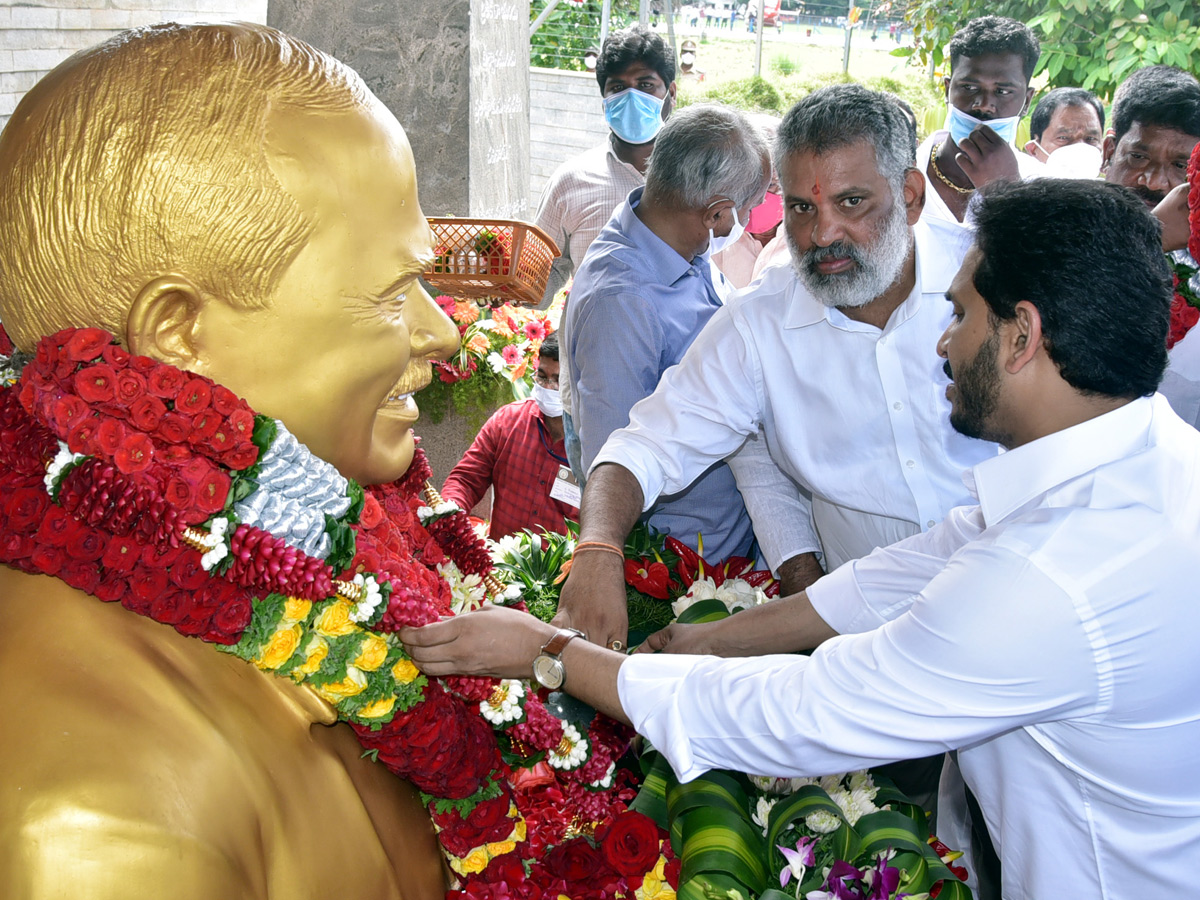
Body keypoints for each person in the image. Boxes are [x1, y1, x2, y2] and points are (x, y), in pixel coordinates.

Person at [403, 177, 1200, 899]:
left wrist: (548, 654)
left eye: (961, 315)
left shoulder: (1048, 578)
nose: (943, 343)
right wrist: (709, 640)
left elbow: (805, 713)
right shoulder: (1147, 460)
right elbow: (899, 574)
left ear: (1022, 337)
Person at [0, 23, 461, 898]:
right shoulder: (100, 818)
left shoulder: (323, 553)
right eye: (390, 294)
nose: (443, 331)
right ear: (180, 338)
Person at [556, 85, 996, 652]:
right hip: (855, 635)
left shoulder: (994, 279)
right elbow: (642, 446)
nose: (823, 235)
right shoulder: (758, 322)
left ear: (910, 196)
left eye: (852, 202)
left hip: (1012, 601)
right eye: (802, 207)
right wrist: (598, 548)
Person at [563, 103, 768, 563]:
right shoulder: (623, 301)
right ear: (716, 214)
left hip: (733, 532)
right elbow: (612, 459)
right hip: (684, 563)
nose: (748, 225)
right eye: (748, 211)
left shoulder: (678, 247)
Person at [533, 25, 677, 499]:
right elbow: (539, 275)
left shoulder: (693, 179)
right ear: (602, 97)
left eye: (646, 85)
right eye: (617, 87)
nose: (631, 96)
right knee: (602, 509)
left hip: (678, 386)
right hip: (593, 391)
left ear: (669, 93)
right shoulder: (572, 180)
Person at [1103, 65, 1200, 429]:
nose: (1157, 183)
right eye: (1139, 157)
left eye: (1180, 165)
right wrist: (1150, 237)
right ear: (1110, 150)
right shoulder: (1054, 226)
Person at [917, 16, 1044, 243]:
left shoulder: (1042, 186)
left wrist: (1006, 192)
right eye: (969, 87)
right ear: (948, 89)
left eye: (1003, 91)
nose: (984, 104)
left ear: (1027, 101)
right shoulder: (902, 173)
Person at [440, 333, 580, 538]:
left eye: (559, 381)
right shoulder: (508, 421)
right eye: (542, 377)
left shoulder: (594, 445)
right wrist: (449, 512)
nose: (548, 387)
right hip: (500, 562)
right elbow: (466, 480)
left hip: (565, 568)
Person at [1022, 86, 1105, 177]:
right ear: (1033, 150)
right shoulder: (1011, 190)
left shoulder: (1117, 190)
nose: (1080, 148)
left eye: (1091, 139)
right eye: (1063, 138)